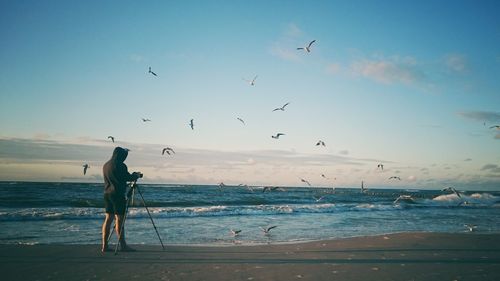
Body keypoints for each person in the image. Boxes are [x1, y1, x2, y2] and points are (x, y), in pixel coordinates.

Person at [101, 147, 142, 253]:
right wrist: (135, 176)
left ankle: (104, 246)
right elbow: (126, 177)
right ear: (121, 155)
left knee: (108, 219)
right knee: (119, 219)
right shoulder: (120, 165)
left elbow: (119, 178)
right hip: (117, 195)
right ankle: (123, 245)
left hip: (107, 194)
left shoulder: (106, 165)